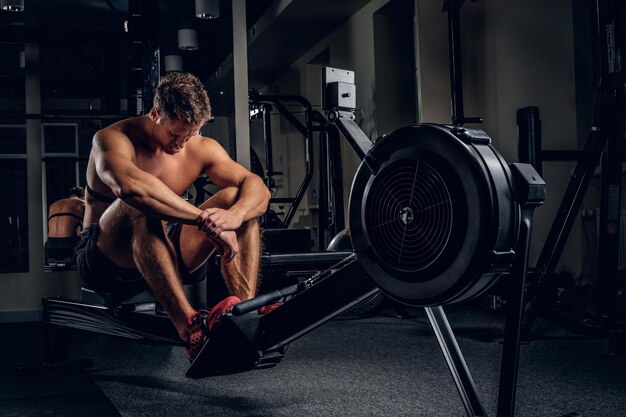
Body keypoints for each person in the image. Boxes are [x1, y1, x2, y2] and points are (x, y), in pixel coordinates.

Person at [74, 72, 270, 360]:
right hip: (105, 261)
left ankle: (245, 314)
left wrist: (235, 217)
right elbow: (132, 189)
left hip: (163, 251)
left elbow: (258, 188)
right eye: (174, 134)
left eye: (190, 135)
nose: (181, 144)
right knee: (137, 203)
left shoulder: (198, 147)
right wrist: (208, 222)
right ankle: (190, 328)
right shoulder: (112, 139)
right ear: (155, 114)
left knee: (233, 197)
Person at [45, 186, 85, 264]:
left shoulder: (53, 205)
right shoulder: (82, 203)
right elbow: (89, 227)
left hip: (50, 247)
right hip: (69, 247)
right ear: (83, 197)